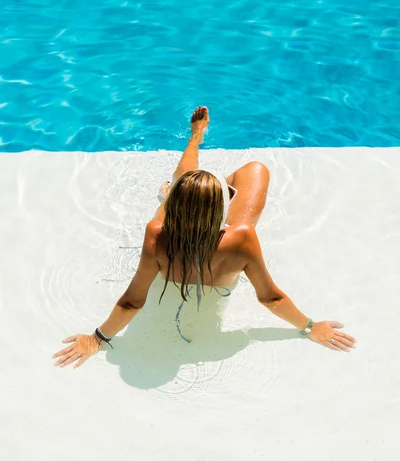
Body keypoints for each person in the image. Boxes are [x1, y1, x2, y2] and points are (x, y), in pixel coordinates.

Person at [53, 106, 356, 369]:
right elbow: (270, 298)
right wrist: (311, 327)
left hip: (176, 239)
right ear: (222, 212)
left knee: (183, 178)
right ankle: (204, 178)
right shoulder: (241, 238)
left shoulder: (157, 233)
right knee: (256, 169)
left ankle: (193, 146)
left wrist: (96, 339)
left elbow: (132, 301)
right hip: (221, 253)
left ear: (173, 208)